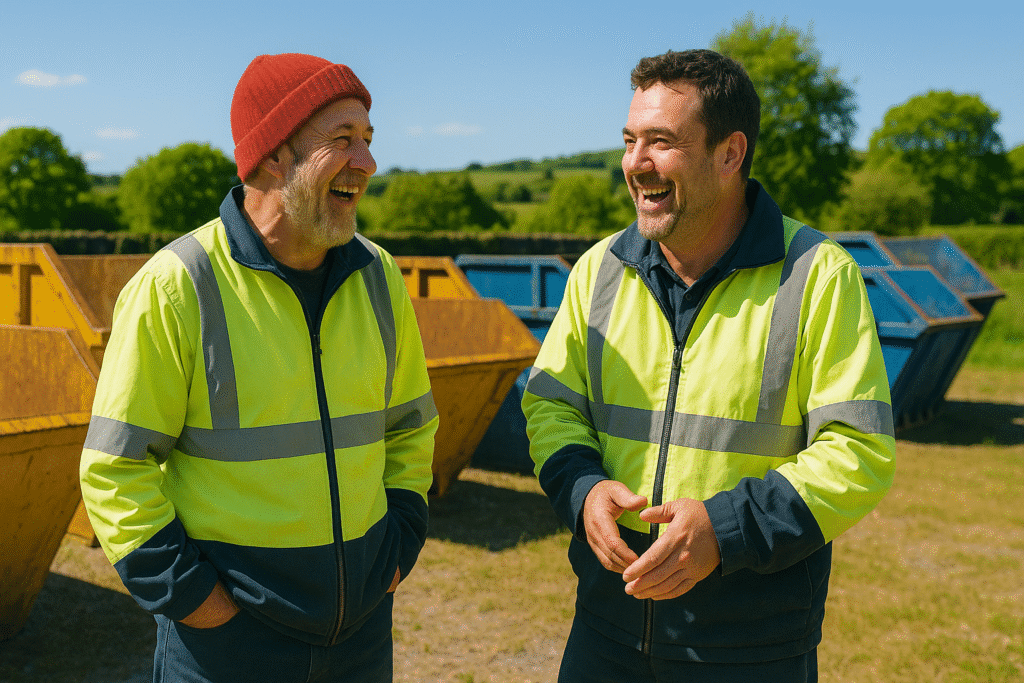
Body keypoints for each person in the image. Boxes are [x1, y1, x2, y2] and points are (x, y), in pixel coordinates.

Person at [522, 49, 895, 682]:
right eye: (630, 140)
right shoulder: (600, 269)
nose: (636, 163)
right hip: (606, 631)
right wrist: (582, 487)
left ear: (729, 154)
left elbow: (858, 451)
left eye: (662, 142)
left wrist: (724, 530)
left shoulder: (817, 275)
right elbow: (552, 404)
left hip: (751, 646)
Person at [79, 53, 437, 682]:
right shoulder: (176, 285)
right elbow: (116, 471)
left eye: (369, 141)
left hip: (359, 637)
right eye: (343, 140)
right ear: (273, 154)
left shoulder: (378, 276)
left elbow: (410, 427)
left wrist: (399, 544)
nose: (368, 163)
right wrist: (198, 603)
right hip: (226, 646)